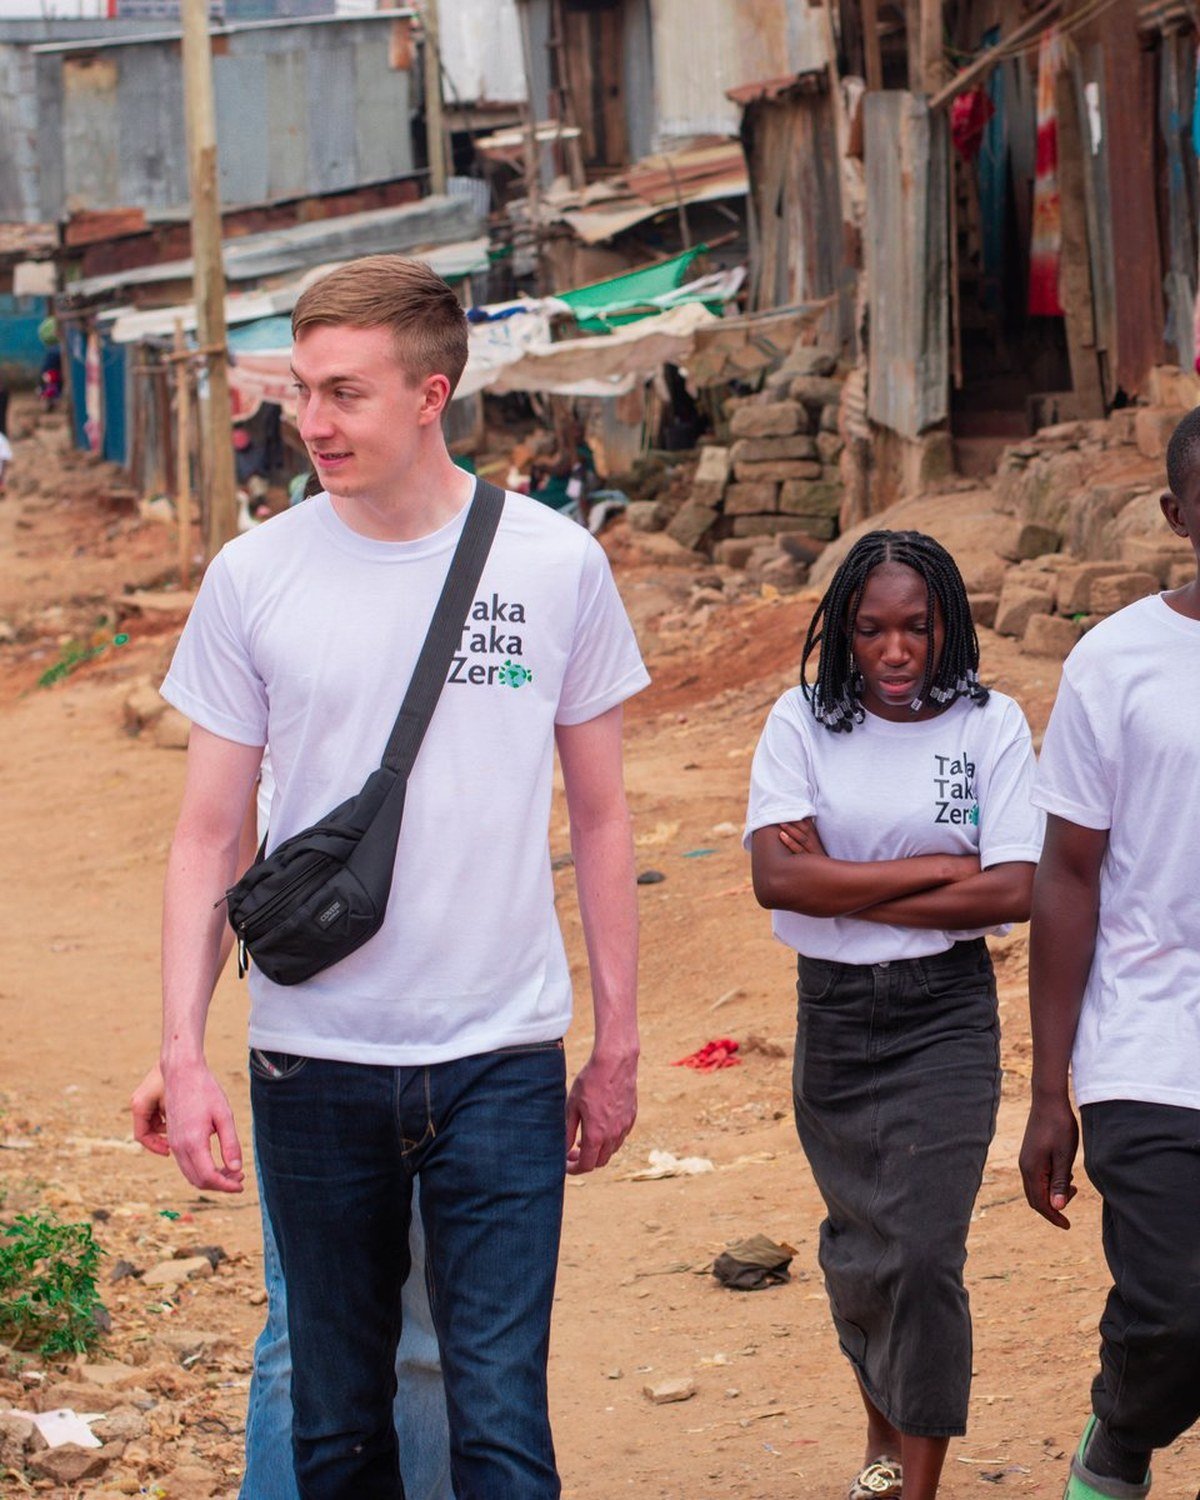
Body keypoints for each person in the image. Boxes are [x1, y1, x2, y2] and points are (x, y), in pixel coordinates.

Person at [154, 254, 645, 1498]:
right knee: (333, 1421)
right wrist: (180, 1049)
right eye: (302, 392)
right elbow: (209, 836)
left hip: (501, 1055)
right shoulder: (253, 576)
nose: (309, 423)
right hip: (312, 1055)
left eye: (344, 394)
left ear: (432, 394)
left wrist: (619, 1044)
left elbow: (600, 818)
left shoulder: (553, 564)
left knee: (499, 1418)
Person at [745, 531, 1043, 1500]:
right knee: (863, 1248)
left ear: (947, 623)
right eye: (873, 630)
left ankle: (914, 1485)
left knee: (922, 1253)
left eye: (917, 626)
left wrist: (840, 883)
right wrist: (936, 868)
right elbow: (772, 878)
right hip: (834, 1019)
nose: (898, 650)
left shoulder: (988, 727)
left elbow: (1011, 893)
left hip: (944, 1015)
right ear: (843, 631)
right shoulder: (801, 723)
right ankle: (880, 1433)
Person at [132, 769, 452, 1500]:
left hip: (463, 1040)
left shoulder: (493, 652)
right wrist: (177, 1053)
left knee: (430, 1335)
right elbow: (235, 863)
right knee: (305, 1332)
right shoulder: (263, 650)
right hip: (311, 1047)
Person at [1019, 409, 1200, 1500]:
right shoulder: (1117, 663)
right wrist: (1051, 1089)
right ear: (1179, 517)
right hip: (1151, 1036)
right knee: (1177, 1307)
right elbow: (1068, 875)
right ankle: (1121, 1435)